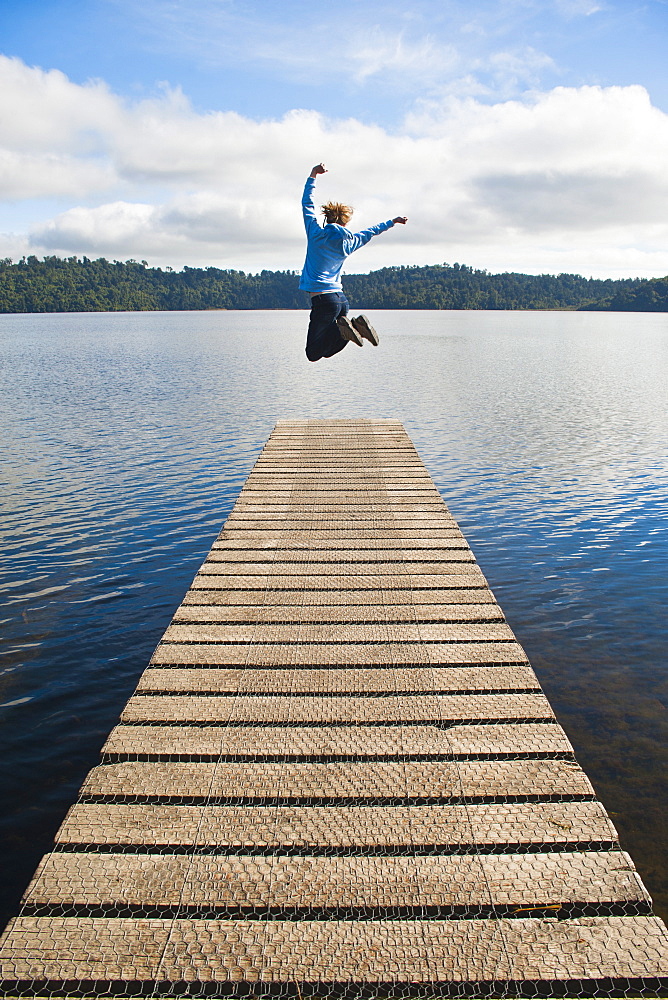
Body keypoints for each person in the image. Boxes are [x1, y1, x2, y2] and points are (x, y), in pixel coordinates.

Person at [299, 163, 407, 362]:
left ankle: (349, 329)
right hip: (341, 301)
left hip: (323, 301)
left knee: (313, 353)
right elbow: (370, 232)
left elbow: (307, 204)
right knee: (328, 345)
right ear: (345, 223)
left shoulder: (315, 233)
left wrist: (313, 175)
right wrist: (392, 222)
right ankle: (353, 326)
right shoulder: (350, 242)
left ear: (327, 218)